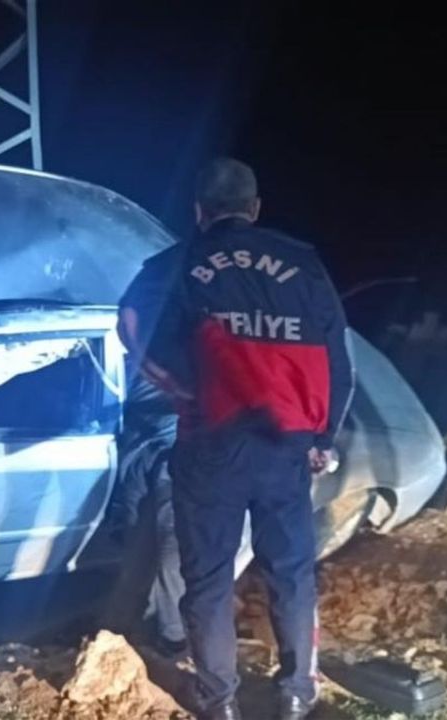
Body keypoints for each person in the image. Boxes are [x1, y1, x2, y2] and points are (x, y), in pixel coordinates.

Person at [144, 158, 354, 720]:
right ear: (255, 208)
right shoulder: (303, 263)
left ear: (199, 211)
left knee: (209, 577)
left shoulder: (178, 263)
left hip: (210, 443)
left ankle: (219, 702)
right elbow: (338, 359)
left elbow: (134, 329)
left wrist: (190, 391)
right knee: (291, 572)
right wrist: (322, 434)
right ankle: (296, 692)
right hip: (286, 443)